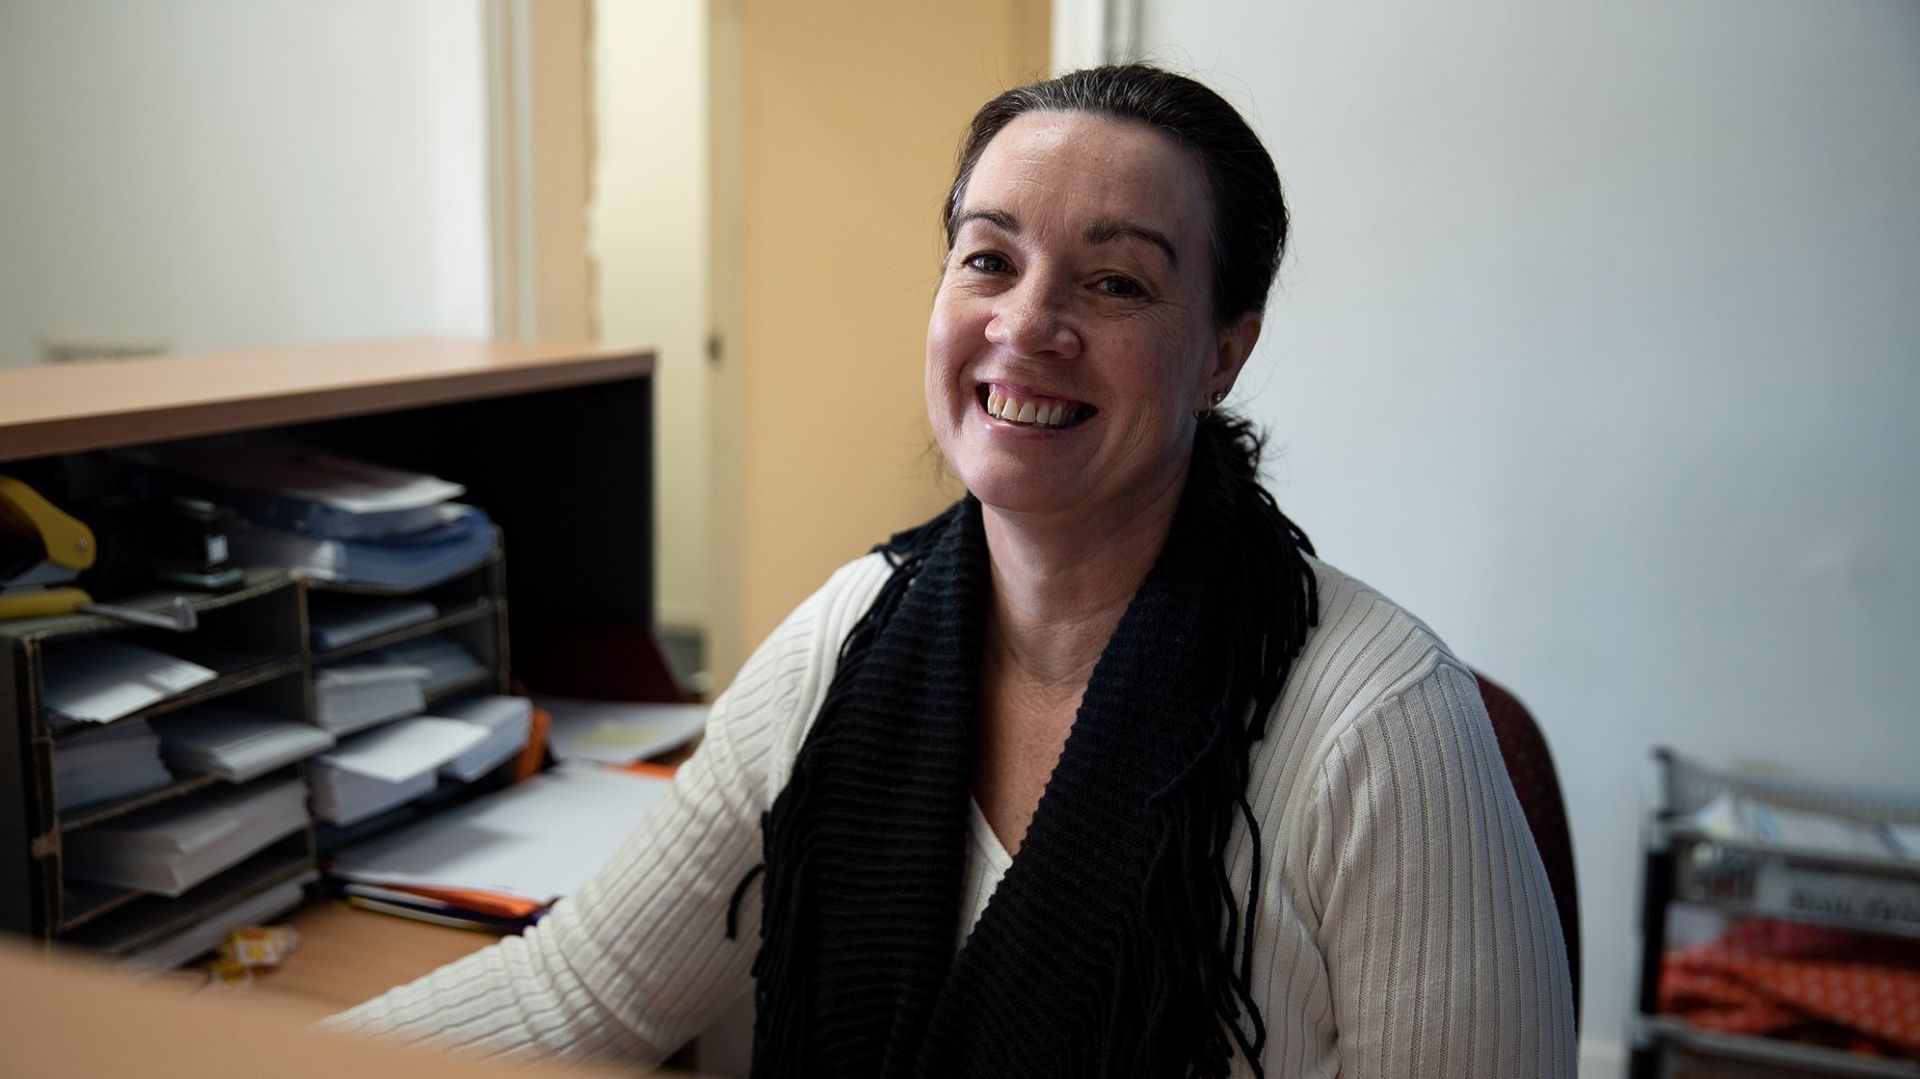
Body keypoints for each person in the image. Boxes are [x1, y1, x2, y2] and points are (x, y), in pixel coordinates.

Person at [328, 64, 1575, 1078]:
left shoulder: (1383, 726)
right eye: (990, 258)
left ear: (1222, 354)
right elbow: (579, 995)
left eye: (1117, 280)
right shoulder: (850, 636)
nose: (1027, 324)